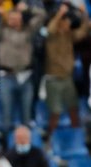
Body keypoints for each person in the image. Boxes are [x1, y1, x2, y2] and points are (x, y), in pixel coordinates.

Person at [0, 2, 46, 131]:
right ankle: (7, 145)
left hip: (25, 76)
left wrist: (28, 9)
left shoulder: (29, 31)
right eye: (11, 18)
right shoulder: (2, 32)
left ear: (22, 18)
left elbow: (42, 15)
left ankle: (26, 144)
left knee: (26, 116)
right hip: (7, 77)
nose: (14, 21)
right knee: (7, 116)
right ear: (7, 19)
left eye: (17, 18)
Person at [44, 2, 89, 136]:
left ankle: (78, 137)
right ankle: (51, 139)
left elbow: (83, 30)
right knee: (55, 112)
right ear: (60, 22)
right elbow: (51, 28)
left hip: (67, 78)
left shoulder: (69, 36)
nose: (67, 24)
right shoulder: (51, 37)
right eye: (65, 21)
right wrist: (60, 14)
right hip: (54, 79)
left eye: (68, 22)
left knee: (73, 108)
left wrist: (84, 13)